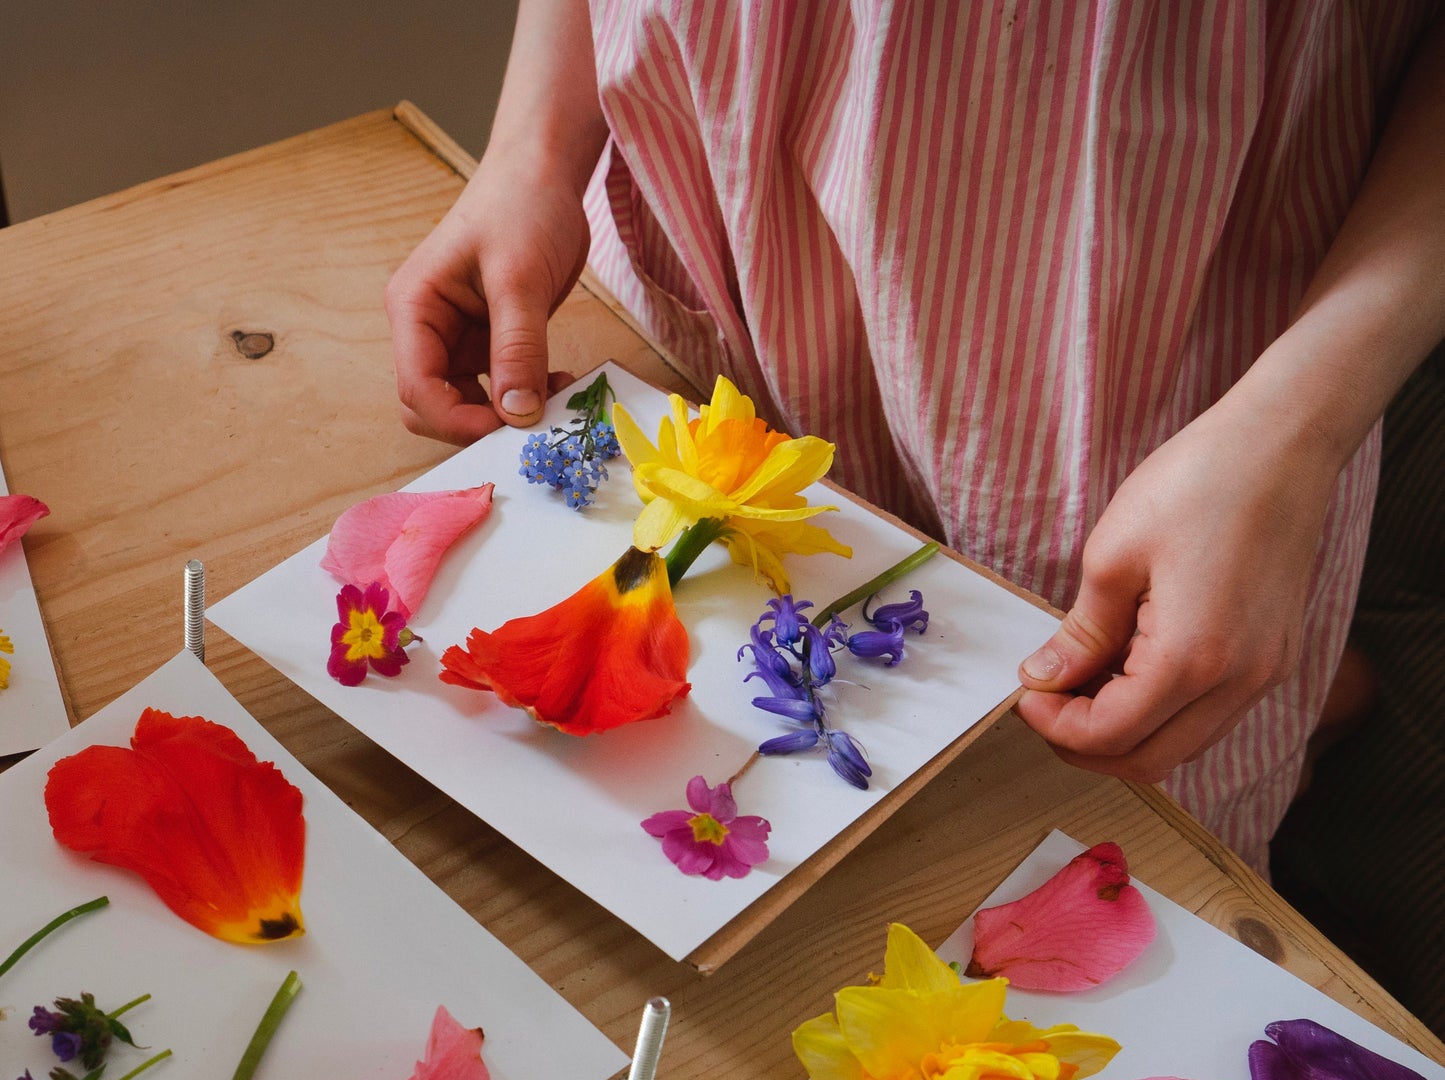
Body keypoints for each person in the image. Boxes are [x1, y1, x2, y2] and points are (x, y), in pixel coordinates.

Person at [386, 1, 1445, 874]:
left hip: (1141, 315)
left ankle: (1330, 708)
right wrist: (532, 148)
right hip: (707, 184)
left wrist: (1291, 432)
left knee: (1093, 796)